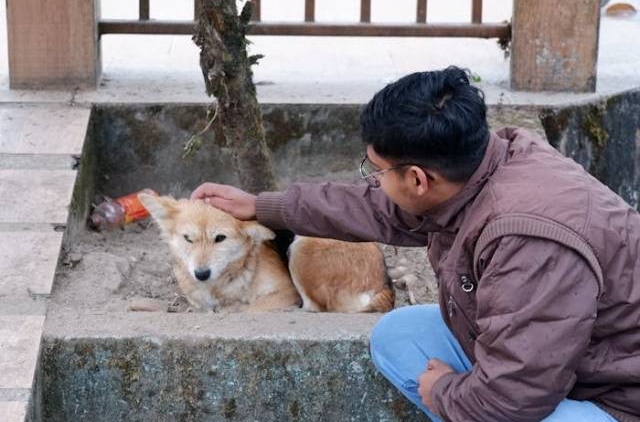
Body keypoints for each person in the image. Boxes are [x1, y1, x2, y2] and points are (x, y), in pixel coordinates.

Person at [191, 66, 640, 422]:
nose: (373, 181)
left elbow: (516, 397)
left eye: (376, 171)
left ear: (418, 179)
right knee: (398, 334)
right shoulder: (488, 162)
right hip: (564, 359)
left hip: (614, 396)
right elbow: (375, 208)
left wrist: (444, 392)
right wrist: (263, 206)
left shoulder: (526, 239)